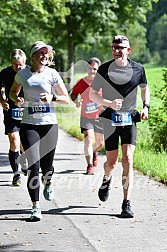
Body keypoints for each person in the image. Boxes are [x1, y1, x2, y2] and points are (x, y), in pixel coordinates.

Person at [89, 35, 150, 218]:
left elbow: (144, 87)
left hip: (130, 117)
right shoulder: (105, 69)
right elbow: (92, 94)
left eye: (120, 48)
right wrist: (108, 102)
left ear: (128, 50)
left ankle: (126, 203)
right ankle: (106, 179)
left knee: (129, 160)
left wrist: (146, 106)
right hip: (110, 119)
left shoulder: (138, 68)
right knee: (112, 162)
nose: (116, 50)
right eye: (114, 47)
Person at [10, 41, 69, 221]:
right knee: (34, 165)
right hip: (29, 125)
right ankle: (35, 207)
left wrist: (53, 97)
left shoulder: (52, 74)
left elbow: (66, 99)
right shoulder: (23, 74)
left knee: (47, 167)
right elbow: (13, 92)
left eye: (47, 54)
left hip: (49, 125)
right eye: (41, 53)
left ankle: (48, 181)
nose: (44, 56)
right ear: (33, 56)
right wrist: (17, 99)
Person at [71, 57, 104, 175]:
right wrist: (76, 101)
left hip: (99, 117)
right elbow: (73, 94)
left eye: (95, 69)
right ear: (87, 68)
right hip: (86, 117)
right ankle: (89, 165)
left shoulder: (102, 83)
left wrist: (104, 104)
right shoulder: (81, 82)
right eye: (90, 68)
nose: (92, 71)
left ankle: (94, 152)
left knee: (100, 143)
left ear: (98, 69)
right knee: (88, 139)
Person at [0, 49, 28, 186]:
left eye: (20, 65)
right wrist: (2, 101)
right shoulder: (5, 73)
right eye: (15, 64)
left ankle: (23, 159)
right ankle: (16, 174)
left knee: (24, 144)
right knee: (14, 141)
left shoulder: (30, 72)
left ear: (25, 62)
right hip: (11, 111)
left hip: (28, 112)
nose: (17, 67)